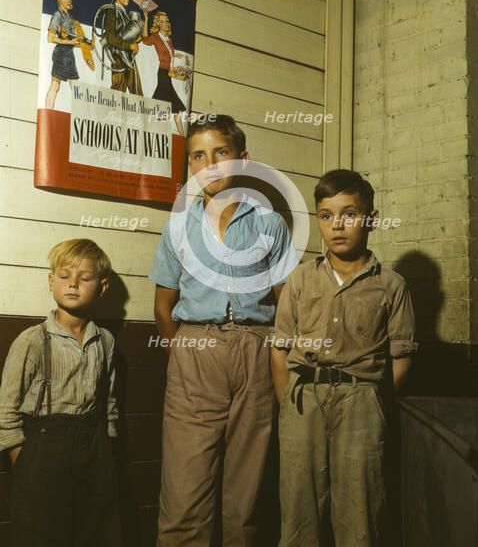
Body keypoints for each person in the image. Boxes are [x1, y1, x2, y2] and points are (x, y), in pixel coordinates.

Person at [150, 115, 297, 547]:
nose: (210, 164)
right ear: (190, 166)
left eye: (221, 153)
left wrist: (276, 357)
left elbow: (287, 303)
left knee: (246, 488)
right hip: (195, 349)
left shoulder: (269, 223)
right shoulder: (178, 225)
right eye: (198, 155)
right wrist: (183, 354)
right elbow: (163, 306)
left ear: (243, 161)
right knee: (184, 485)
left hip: (257, 349)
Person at [272, 169, 417, 547]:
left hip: (362, 403)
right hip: (303, 401)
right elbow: (280, 346)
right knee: (298, 513)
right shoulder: (301, 279)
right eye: (326, 215)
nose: (337, 225)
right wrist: (287, 402)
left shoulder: (391, 285)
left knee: (360, 516)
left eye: (349, 214)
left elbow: (401, 356)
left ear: (371, 219)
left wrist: (376, 405)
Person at [0, 239, 121, 547]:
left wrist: (106, 445)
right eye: (65, 275)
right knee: (41, 534)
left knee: (93, 531)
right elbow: (5, 410)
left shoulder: (104, 340)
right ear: (51, 281)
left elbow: (108, 400)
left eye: (85, 277)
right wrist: (23, 459)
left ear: (102, 287)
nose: (73, 284)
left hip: (93, 450)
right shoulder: (32, 340)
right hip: (42, 449)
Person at [104, 0, 143, 95]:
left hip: (129, 57)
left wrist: (136, 41)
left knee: (137, 93)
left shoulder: (126, 14)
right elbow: (110, 38)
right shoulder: (111, 11)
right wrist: (130, 46)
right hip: (118, 58)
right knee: (117, 93)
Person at [142, 10, 186, 113]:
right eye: (162, 21)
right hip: (162, 72)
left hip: (168, 72)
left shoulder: (168, 39)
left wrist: (175, 55)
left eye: (167, 21)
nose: (166, 24)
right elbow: (145, 40)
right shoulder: (156, 37)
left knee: (161, 98)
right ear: (158, 23)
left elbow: (167, 53)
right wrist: (146, 19)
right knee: (169, 100)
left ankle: (149, 115)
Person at [45, 0, 80, 109]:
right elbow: (50, 38)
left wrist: (85, 45)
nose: (69, 0)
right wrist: (70, 43)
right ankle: (48, 112)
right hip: (61, 54)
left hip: (69, 55)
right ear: (59, 0)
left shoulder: (70, 17)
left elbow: (72, 39)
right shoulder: (57, 16)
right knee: (55, 85)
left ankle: (78, 114)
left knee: (75, 87)